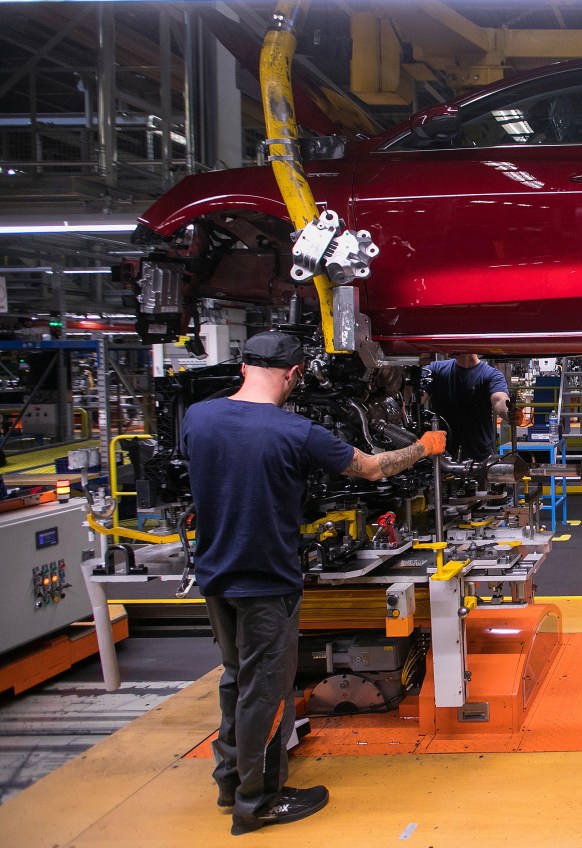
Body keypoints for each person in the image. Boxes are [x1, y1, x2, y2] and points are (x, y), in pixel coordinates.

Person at [182, 330, 446, 835]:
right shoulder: (295, 431)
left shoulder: (199, 418)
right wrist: (421, 447)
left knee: (237, 680)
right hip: (266, 581)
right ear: (295, 374)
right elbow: (370, 467)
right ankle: (258, 803)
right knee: (268, 690)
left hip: (215, 576)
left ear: (242, 367)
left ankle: (230, 781)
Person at [419, 354, 511, 461]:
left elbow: (499, 400)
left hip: (480, 457)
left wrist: (510, 413)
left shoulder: (491, 374)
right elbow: (416, 398)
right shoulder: (435, 369)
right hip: (440, 457)